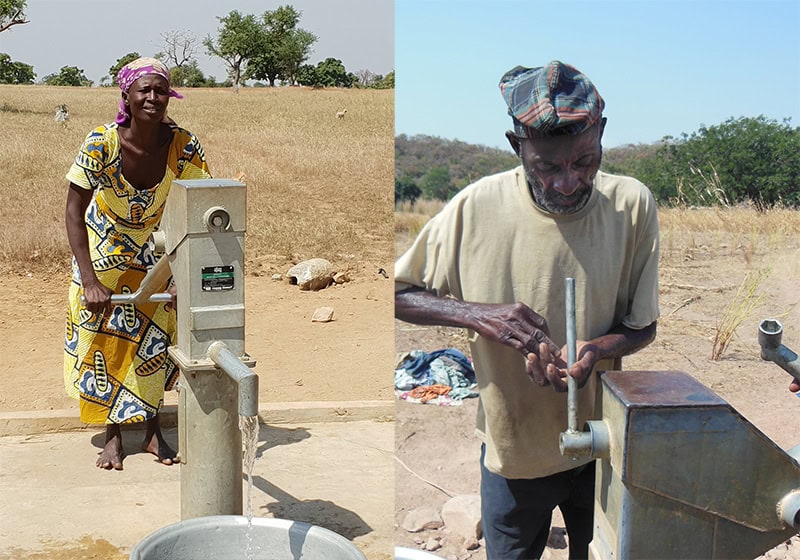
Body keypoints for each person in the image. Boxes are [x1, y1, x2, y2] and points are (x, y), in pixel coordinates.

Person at [394, 61, 660, 559]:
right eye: (546, 166)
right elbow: (395, 292)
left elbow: (642, 325)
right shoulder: (474, 209)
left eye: (585, 161)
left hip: (605, 447)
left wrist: (595, 349)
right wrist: (477, 315)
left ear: (602, 133)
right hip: (514, 454)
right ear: (517, 147)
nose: (567, 182)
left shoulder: (632, 205)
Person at [64, 57, 211, 470]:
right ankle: (112, 436)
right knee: (104, 338)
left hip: (153, 250)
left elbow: (199, 210)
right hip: (102, 251)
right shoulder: (101, 143)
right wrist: (90, 280)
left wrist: (184, 276)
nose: (152, 98)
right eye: (143, 90)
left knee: (153, 340)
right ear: (126, 95)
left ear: (170, 95)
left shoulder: (184, 144)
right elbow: (74, 212)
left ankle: (151, 431)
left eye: (160, 90)